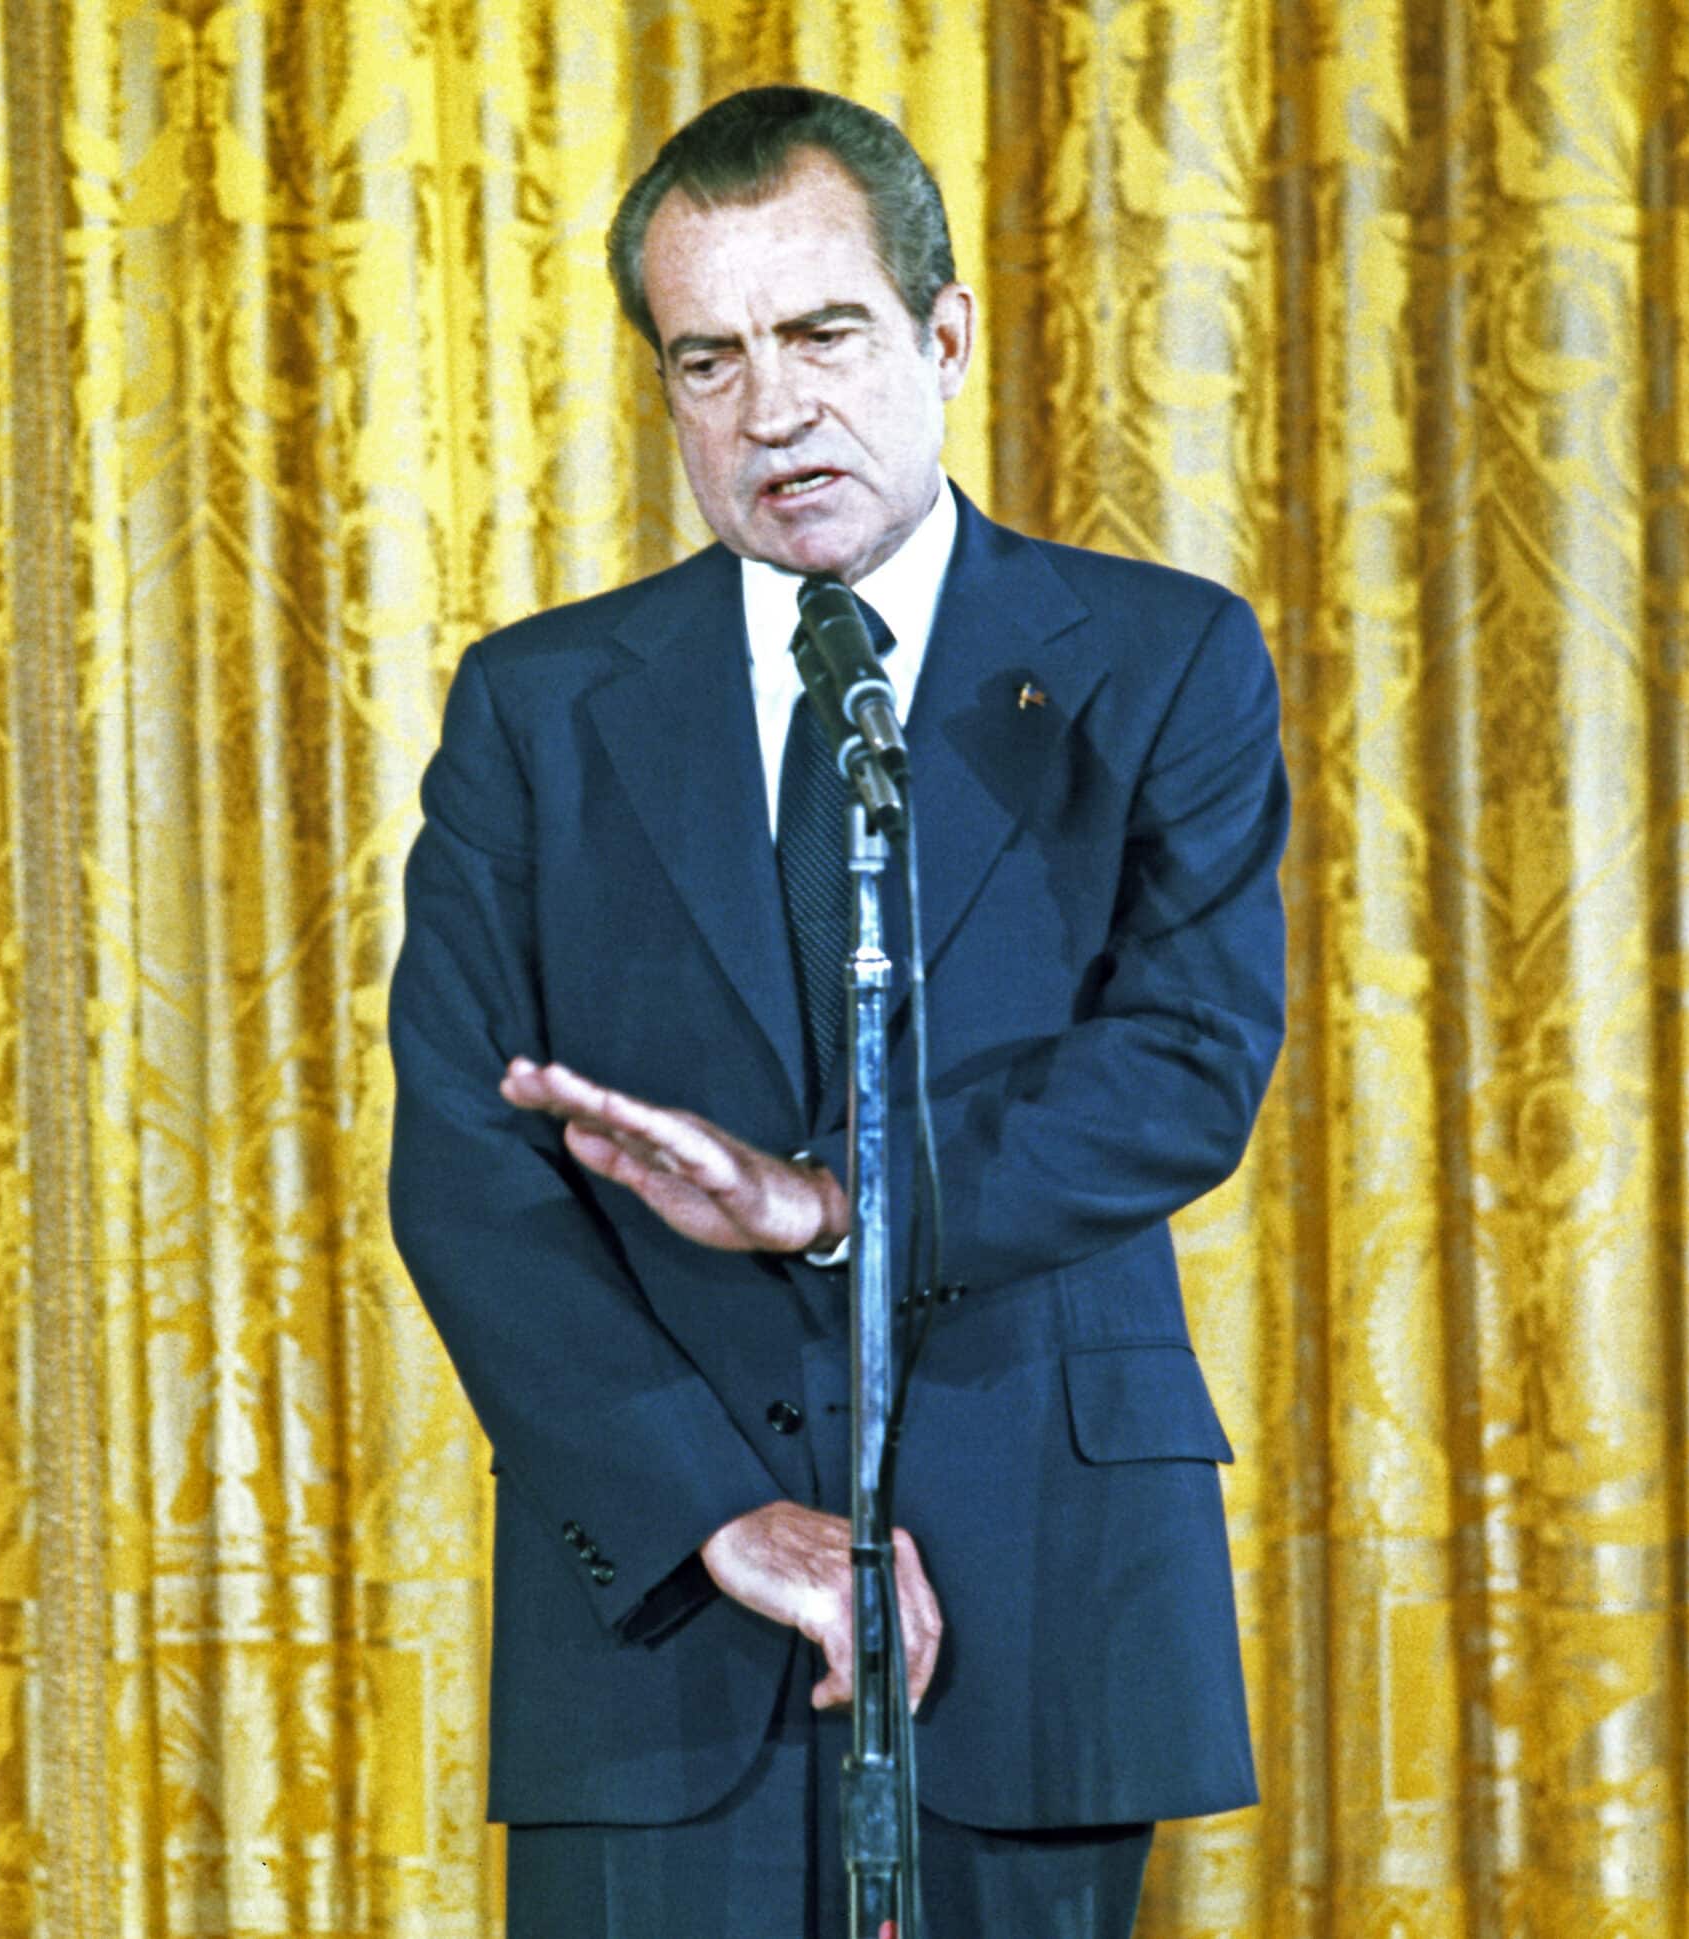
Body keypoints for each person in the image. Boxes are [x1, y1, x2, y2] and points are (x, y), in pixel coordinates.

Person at [387, 87, 1287, 1937]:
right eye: (705, 361)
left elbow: (1186, 1064)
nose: (770, 411)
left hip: (1038, 1581)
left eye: (821, 336)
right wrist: (714, 1512)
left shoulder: (1159, 656)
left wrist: (844, 1199)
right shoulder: (541, 707)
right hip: (664, 1620)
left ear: (943, 335)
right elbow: (466, 1167)